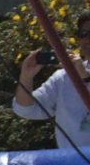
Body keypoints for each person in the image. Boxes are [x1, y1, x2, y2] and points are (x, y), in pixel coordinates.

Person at [13, 13, 90, 149]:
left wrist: (85, 77)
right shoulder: (64, 77)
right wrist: (26, 76)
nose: (88, 39)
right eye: (84, 33)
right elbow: (26, 110)